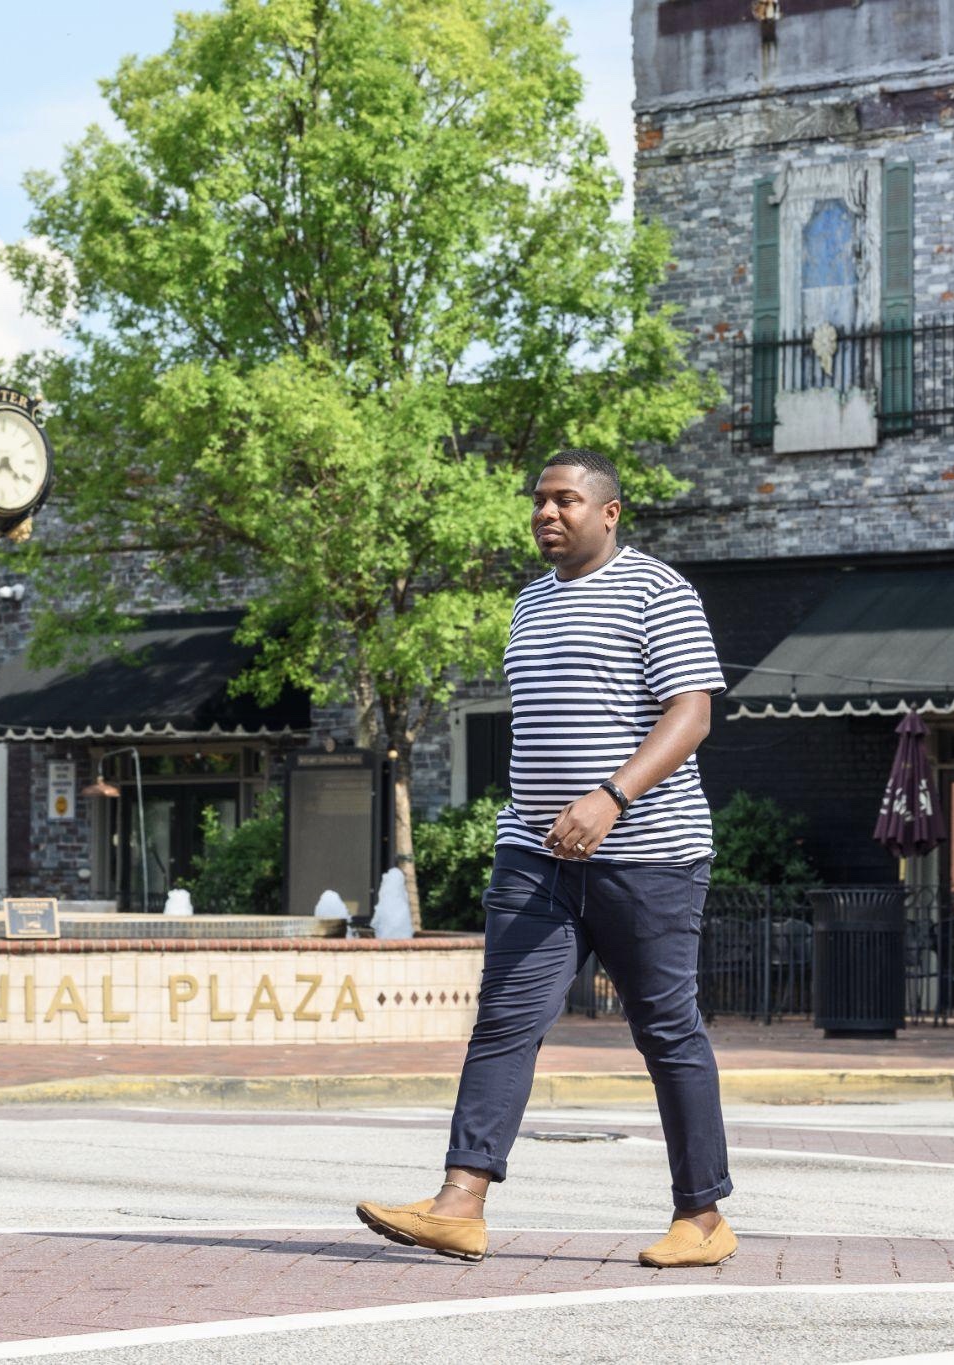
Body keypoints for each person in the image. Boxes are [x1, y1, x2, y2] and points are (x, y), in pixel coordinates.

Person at [355, 449, 736, 1269]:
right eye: (539, 501)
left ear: (610, 513)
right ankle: (460, 1202)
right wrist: (535, 817)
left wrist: (610, 797)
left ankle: (701, 1217)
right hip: (535, 854)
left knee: (666, 1030)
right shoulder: (530, 602)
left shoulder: (658, 591)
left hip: (651, 855)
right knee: (504, 1020)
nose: (547, 513)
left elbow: (692, 712)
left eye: (566, 500)